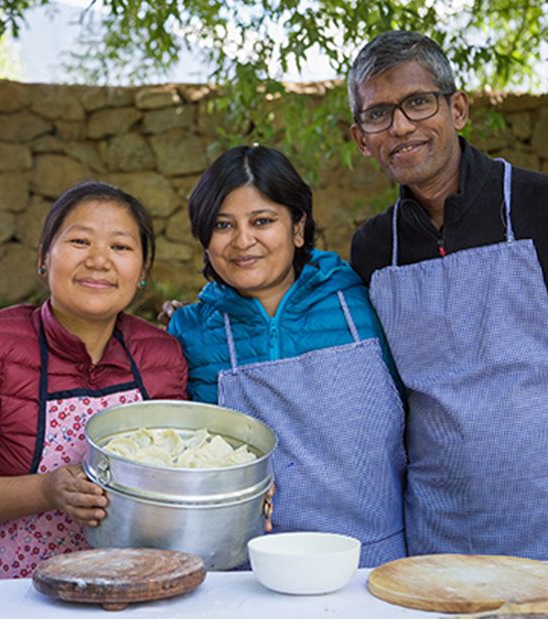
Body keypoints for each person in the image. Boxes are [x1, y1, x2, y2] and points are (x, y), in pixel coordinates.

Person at [347, 30, 548, 559]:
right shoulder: (376, 247)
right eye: (378, 114)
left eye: (417, 102)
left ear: (458, 109)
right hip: (440, 533)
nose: (400, 126)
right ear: (362, 139)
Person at [167, 145, 406, 568]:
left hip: (374, 563)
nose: (243, 241)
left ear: (298, 227)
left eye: (262, 221)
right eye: (223, 225)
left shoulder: (364, 300)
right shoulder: (189, 332)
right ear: (205, 240)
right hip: (247, 573)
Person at [0, 181, 188, 580]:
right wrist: (46, 491)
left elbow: (180, 477)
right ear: (45, 257)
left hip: (129, 587)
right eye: (80, 241)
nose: (99, 261)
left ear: (143, 270)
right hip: (7, 592)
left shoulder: (162, 356)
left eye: (120, 247)